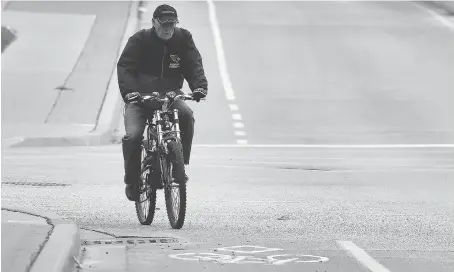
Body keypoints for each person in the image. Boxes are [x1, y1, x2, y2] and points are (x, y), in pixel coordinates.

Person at [117, 4, 208, 201]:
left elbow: (194, 64)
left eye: (172, 24)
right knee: (133, 136)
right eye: (164, 24)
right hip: (140, 97)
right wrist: (130, 93)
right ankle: (132, 180)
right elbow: (125, 67)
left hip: (170, 95)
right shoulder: (139, 40)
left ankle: (178, 166)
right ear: (154, 22)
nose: (168, 28)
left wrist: (199, 87)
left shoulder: (183, 38)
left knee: (186, 115)